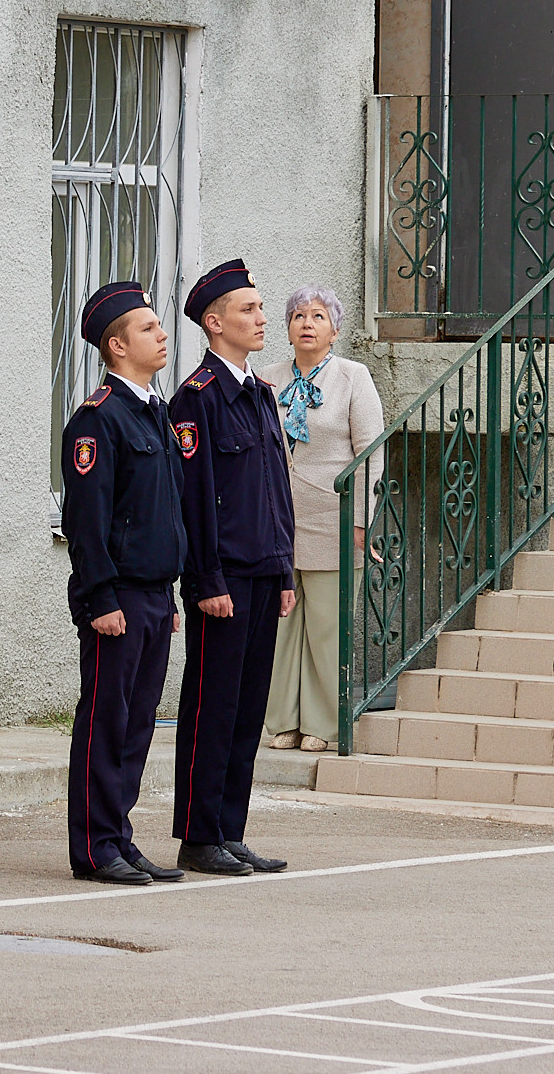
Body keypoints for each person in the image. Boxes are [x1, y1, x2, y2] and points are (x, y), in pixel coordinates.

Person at [168, 259, 296, 877]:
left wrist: (286, 570)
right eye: (248, 310)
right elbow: (194, 499)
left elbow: (276, 487)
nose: (262, 318)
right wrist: (206, 581)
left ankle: (230, 827)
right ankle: (197, 833)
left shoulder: (260, 395)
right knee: (210, 705)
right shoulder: (197, 399)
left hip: (264, 570)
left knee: (248, 707)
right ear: (215, 324)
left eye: (260, 307)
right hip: (224, 578)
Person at [60, 283, 187, 887]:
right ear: (117, 345)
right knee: (106, 721)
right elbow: (87, 522)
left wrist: (172, 593)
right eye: (148, 328)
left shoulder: (154, 411)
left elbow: (165, 509)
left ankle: (119, 835)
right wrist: (103, 598)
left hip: (155, 596)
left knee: (137, 724)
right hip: (118, 599)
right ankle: (93, 846)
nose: (161, 335)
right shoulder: (97, 419)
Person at [266, 287, 383, 753]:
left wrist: (360, 521)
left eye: (318, 316)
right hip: (275, 518)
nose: (306, 323)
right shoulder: (266, 378)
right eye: (297, 315)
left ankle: (323, 723)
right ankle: (282, 722)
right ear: (288, 327)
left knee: (326, 627)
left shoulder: (353, 377)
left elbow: (371, 455)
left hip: (332, 518)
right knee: (281, 626)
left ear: (335, 329)